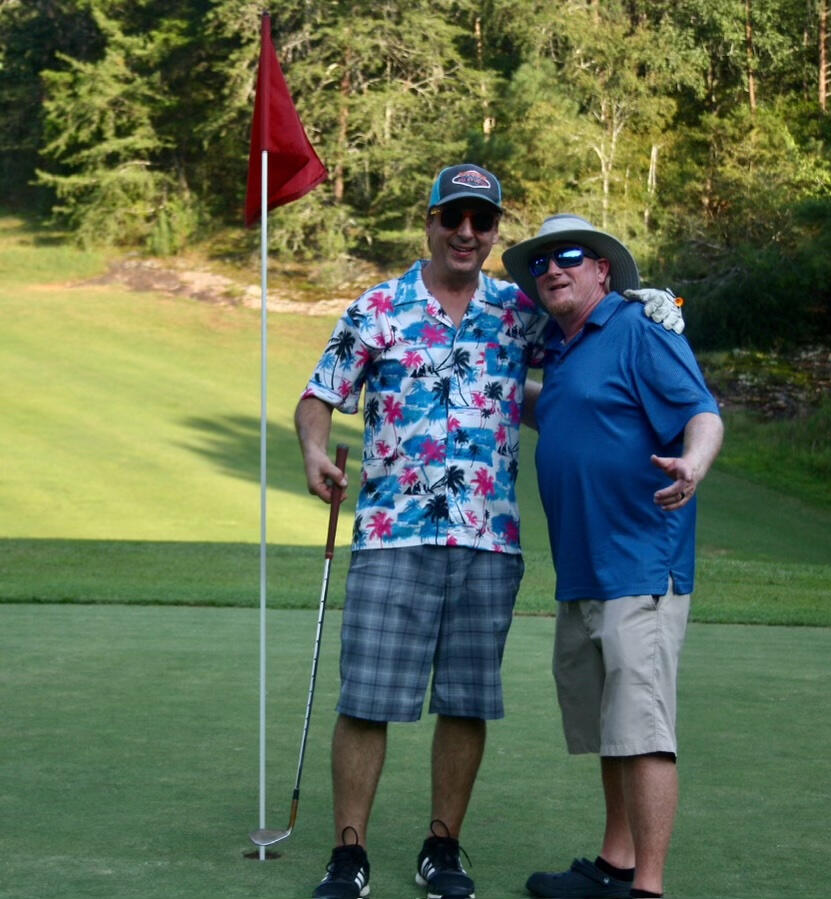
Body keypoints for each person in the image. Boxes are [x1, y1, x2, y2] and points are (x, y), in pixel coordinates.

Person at [293, 164, 549, 899]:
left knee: (466, 700)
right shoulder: (378, 307)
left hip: (488, 539)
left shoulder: (518, 310)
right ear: (430, 220)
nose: (467, 233)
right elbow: (320, 396)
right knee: (367, 699)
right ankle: (349, 852)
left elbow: (586, 340)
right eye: (454, 218)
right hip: (390, 532)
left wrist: (646, 309)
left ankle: (443, 848)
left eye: (483, 221)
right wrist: (315, 449)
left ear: (496, 231)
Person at [503, 214, 724, 899]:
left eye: (571, 255)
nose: (553, 269)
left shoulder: (638, 330)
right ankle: (615, 862)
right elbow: (560, 410)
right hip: (585, 568)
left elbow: (703, 412)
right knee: (612, 725)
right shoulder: (565, 349)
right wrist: (495, 394)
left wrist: (693, 462)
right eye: (541, 263)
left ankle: (646, 888)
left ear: (604, 269)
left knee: (644, 728)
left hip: (638, 566)